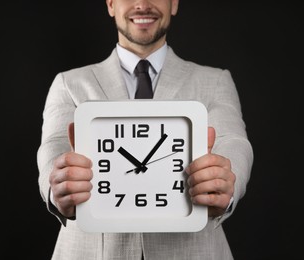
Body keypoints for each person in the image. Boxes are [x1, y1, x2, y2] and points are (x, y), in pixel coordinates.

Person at [37, 0, 253, 259]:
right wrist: (57, 186)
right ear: (110, 4)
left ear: (174, 4)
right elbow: (54, 146)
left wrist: (227, 182)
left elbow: (234, 142)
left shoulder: (214, 81)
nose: (142, 4)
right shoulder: (69, 83)